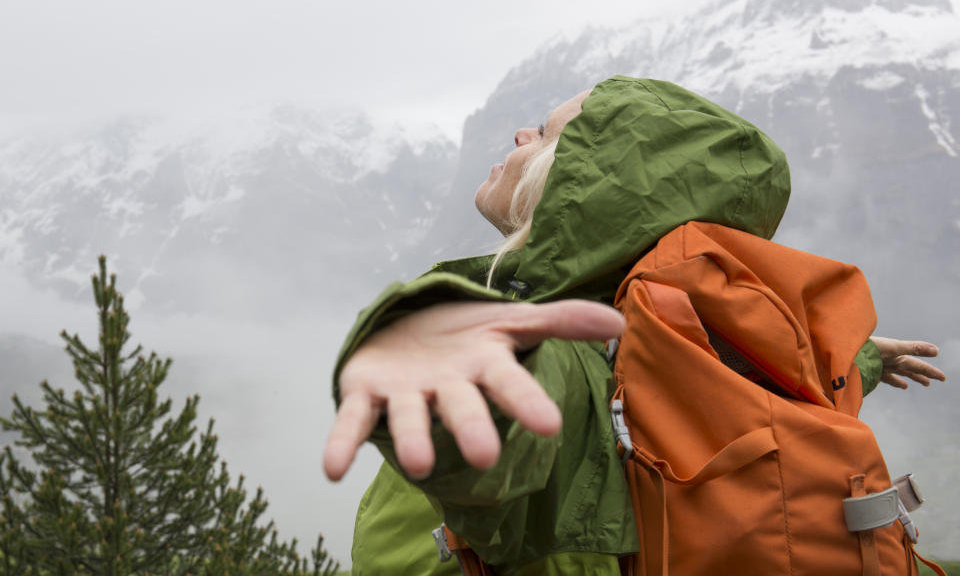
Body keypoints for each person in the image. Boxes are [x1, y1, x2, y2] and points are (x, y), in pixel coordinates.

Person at [324, 76, 945, 575]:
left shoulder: (562, 350)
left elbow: (512, 426)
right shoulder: (690, 343)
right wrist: (855, 358)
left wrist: (435, 352)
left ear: (575, 185)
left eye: (543, 134)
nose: (518, 133)